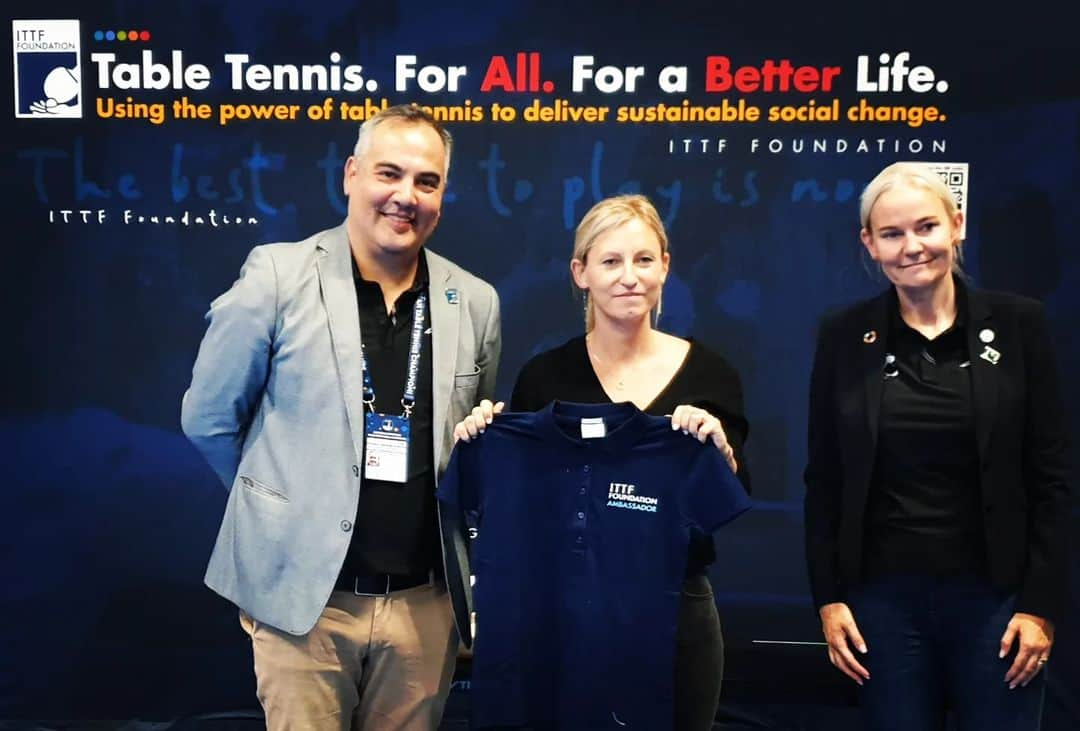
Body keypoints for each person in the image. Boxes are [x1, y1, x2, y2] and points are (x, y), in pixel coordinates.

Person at [181, 104, 501, 730]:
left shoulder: (477, 301)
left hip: (424, 608)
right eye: (389, 173)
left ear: (442, 195)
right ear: (351, 174)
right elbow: (209, 417)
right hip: (305, 603)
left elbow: (467, 448)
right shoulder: (277, 275)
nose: (405, 196)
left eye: (426, 181)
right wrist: (274, 505)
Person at [455, 193, 749, 730]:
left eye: (643, 260)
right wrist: (479, 435)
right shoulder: (544, 377)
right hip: (558, 612)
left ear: (665, 265)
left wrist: (721, 450)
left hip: (671, 610)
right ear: (581, 272)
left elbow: (726, 502)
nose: (628, 277)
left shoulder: (711, 374)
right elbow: (520, 503)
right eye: (610, 261)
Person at [804, 161, 1069, 730]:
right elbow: (823, 478)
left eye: (926, 227)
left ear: (957, 225)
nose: (912, 247)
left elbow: (1052, 478)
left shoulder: (1021, 325)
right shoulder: (844, 335)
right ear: (869, 244)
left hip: (998, 604)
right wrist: (828, 600)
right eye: (892, 234)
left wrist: (1041, 606)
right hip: (883, 607)